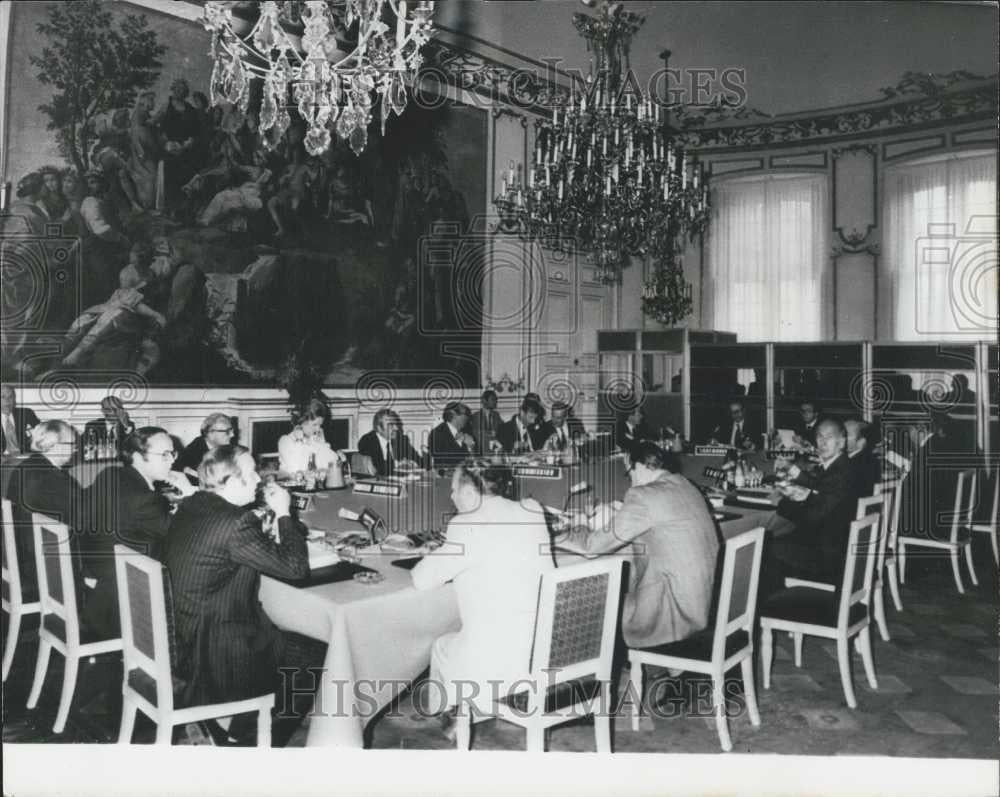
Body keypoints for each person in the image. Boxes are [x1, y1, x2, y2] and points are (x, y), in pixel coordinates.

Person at [162, 445, 326, 745]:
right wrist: (283, 514)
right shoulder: (236, 523)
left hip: (183, 637)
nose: (259, 480)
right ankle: (256, 741)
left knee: (279, 626)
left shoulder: (193, 504)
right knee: (317, 653)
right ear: (232, 483)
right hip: (216, 654)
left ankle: (241, 723)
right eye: (251, 474)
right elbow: (295, 568)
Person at [412, 460, 554, 725]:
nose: (451, 496)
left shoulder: (464, 524)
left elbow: (422, 580)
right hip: (542, 651)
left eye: (454, 490)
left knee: (442, 646)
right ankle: (467, 713)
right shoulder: (532, 509)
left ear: (469, 493)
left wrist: (433, 553)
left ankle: (456, 719)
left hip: (494, 662)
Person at [559, 442, 719, 649]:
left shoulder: (643, 495)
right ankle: (673, 671)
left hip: (674, 608)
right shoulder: (685, 484)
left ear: (641, 466)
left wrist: (561, 533)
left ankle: (604, 674)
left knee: (599, 606)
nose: (631, 480)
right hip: (701, 601)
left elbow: (593, 547)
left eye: (629, 472)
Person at [81, 427, 196, 637]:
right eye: (164, 455)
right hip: (126, 597)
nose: (171, 461)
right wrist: (190, 495)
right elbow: (187, 537)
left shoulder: (110, 474)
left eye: (173, 453)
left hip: (98, 577)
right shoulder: (145, 500)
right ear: (137, 457)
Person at [760, 419, 861, 596]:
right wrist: (803, 494)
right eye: (819, 437)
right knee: (779, 539)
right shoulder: (841, 465)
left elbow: (811, 518)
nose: (822, 443)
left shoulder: (840, 473)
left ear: (841, 442)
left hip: (827, 556)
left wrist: (783, 503)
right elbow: (822, 489)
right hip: (834, 545)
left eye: (828, 438)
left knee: (765, 546)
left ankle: (778, 609)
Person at [2, 421, 82, 602]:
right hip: (46, 567)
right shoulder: (52, 478)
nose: (75, 449)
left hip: (24, 555)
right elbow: (82, 516)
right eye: (72, 444)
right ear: (55, 446)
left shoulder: (25, 467)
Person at [277, 399, 343, 475]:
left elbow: (333, 465)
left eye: (320, 425)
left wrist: (323, 444)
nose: (318, 429)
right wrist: (299, 441)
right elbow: (297, 470)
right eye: (314, 424)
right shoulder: (286, 441)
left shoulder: (314, 440)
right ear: (302, 422)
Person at [356, 409, 424, 477]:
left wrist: (415, 462)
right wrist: (398, 464)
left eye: (396, 424)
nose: (396, 428)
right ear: (379, 428)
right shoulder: (367, 441)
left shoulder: (401, 439)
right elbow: (378, 468)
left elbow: (419, 461)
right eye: (391, 425)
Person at [173, 412, 236, 482]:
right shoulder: (192, 455)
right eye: (227, 431)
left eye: (232, 431)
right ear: (211, 433)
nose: (232, 435)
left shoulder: (227, 448)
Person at [429, 402, 475, 467]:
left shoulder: (466, 431)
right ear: (454, 415)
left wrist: (470, 447)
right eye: (466, 414)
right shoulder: (437, 433)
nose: (468, 418)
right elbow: (443, 460)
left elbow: (472, 461)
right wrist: (459, 442)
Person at [844, 418, 881, 498]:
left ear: (861, 441)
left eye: (847, 435)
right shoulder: (870, 459)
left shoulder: (856, 464)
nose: (841, 439)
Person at [1, 384, 39, 455]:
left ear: (14, 399)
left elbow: (43, 431)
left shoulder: (26, 413)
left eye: (10, 397)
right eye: (3, 397)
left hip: (26, 456)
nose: (7, 400)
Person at [467, 389, 503, 454]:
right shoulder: (475, 416)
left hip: (495, 449)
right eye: (493, 399)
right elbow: (474, 435)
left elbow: (503, 430)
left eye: (496, 399)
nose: (495, 402)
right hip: (480, 449)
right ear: (484, 401)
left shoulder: (496, 415)